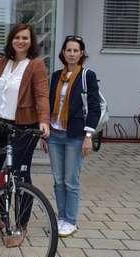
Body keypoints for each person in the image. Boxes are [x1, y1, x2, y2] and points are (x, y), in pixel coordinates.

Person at [0, 23, 50, 248]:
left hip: (25, 126)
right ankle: (2, 219)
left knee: (20, 175)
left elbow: (42, 95)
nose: (21, 41)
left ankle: (21, 225)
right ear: (11, 40)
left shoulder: (35, 65)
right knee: (0, 175)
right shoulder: (4, 61)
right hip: (1, 124)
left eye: (25, 38)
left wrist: (43, 121)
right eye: (17, 37)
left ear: (31, 41)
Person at [43, 36, 100, 237]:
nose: (72, 54)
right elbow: (49, 105)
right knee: (58, 180)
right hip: (55, 135)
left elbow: (94, 108)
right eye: (69, 50)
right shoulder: (56, 75)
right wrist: (45, 134)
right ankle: (61, 218)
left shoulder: (87, 75)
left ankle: (71, 220)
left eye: (76, 50)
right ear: (63, 53)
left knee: (70, 180)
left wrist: (88, 136)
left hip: (75, 135)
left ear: (82, 53)